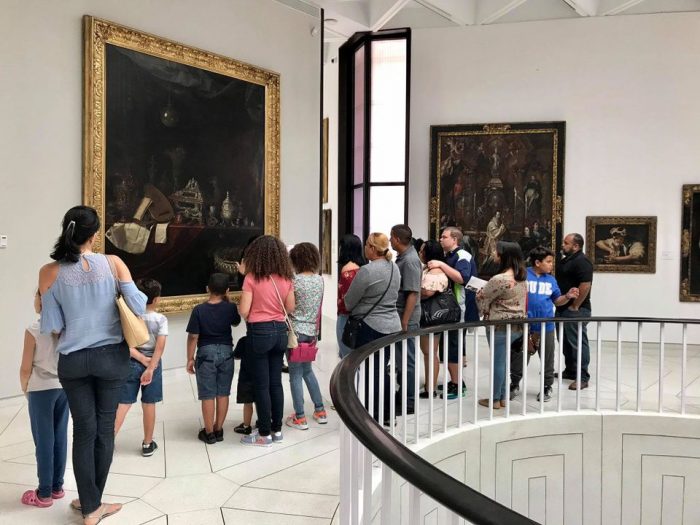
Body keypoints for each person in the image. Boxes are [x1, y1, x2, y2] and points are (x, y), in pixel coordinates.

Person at [39, 205, 147, 525]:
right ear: (95, 234)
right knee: (105, 431)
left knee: (83, 432)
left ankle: (89, 503)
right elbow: (139, 305)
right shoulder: (113, 263)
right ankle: (92, 505)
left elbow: (53, 325)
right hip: (111, 359)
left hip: (72, 362)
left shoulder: (49, 272)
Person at [238, 235, 295, 446]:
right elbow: (290, 308)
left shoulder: (251, 278)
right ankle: (277, 430)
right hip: (280, 332)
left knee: (261, 386)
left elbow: (244, 311)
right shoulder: (286, 278)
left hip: (259, 333)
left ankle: (264, 433)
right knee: (275, 383)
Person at [344, 233, 401, 424]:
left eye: (367, 245)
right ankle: (386, 413)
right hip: (391, 325)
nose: (365, 248)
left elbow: (349, 302)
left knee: (369, 371)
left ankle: (370, 414)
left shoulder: (367, 271)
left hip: (369, 326)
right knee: (382, 370)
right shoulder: (394, 268)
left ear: (372, 249)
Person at [19, 290, 69, 509]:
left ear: (41, 301)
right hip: (64, 388)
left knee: (44, 440)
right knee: (60, 436)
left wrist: (25, 388)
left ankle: (44, 493)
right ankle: (57, 487)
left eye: (36, 296)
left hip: (40, 390)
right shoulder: (67, 328)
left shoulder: (33, 330)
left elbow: (25, 367)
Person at [509, 247, 578, 402]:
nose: (551, 264)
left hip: (546, 327)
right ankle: (514, 383)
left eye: (552, 261)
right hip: (524, 326)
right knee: (518, 356)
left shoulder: (551, 280)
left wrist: (567, 296)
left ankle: (547, 386)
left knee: (548, 358)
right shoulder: (522, 275)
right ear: (537, 262)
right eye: (548, 261)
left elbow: (557, 300)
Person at [114, 279, 167, 456]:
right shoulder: (160, 319)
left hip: (131, 362)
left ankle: (107, 441)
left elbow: (126, 344)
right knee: (149, 403)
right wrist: (150, 366)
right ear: (157, 299)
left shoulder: (131, 317)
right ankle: (147, 443)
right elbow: (160, 347)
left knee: (123, 402)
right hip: (153, 364)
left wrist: (140, 358)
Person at [186, 273, 241, 444]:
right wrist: (229, 301)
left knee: (207, 395)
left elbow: (193, 336)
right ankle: (218, 429)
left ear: (207, 289)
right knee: (223, 393)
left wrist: (190, 358)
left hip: (206, 353)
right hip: (226, 353)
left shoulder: (199, 310)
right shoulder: (230, 308)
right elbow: (236, 322)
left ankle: (209, 433)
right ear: (226, 290)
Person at [426, 226, 478, 399]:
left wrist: (440, 264)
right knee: (449, 347)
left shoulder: (462, 256)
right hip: (450, 309)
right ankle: (454, 381)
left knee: (453, 348)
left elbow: (462, 278)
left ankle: (457, 384)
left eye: (444, 237)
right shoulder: (450, 256)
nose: (441, 239)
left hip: (459, 308)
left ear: (455, 239)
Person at [476, 241, 527, 409]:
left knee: (498, 362)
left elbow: (484, 298)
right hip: (517, 325)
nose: (493, 255)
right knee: (504, 362)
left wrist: (479, 296)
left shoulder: (499, 279)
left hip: (499, 326)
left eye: (496, 252)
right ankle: (503, 397)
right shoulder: (521, 276)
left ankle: (495, 399)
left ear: (503, 256)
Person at [286, 243, 327, 430]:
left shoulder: (294, 281)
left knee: (294, 374)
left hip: (295, 333)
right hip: (311, 332)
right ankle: (320, 410)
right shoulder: (320, 280)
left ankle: (300, 417)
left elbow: (290, 308)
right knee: (308, 371)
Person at [390, 224, 422, 414]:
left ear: (397, 239)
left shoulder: (409, 260)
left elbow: (412, 293)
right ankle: (403, 394)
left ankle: (409, 400)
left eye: (391, 236)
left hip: (407, 317)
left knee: (407, 359)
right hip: (403, 315)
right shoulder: (405, 257)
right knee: (401, 359)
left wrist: (404, 321)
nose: (390, 239)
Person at [555, 233, 593, 390]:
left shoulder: (582, 261)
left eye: (566, 243)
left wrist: (575, 306)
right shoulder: (567, 260)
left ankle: (582, 377)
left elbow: (585, 285)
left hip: (577, 310)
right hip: (563, 308)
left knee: (577, 343)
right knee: (565, 342)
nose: (563, 245)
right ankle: (570, 371)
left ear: (576, 246)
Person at [418, 240, 449, 398]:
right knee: (429, 352)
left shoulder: (435, 272)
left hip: (431, 316)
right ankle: (430, 385)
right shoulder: (430, 269)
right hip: (432, 316)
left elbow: (428, 292)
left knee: (429, 352)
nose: (420, 253)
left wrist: (416, 290)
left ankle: (430, 388)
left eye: (422, 251)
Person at [336, 234, 366, 358]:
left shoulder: (347, 270)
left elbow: (347, 298)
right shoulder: (363, 268)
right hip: (361, 316)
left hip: (346, 316)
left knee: (347, 355)